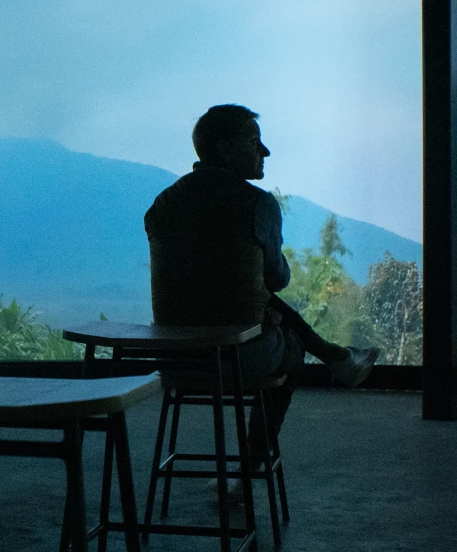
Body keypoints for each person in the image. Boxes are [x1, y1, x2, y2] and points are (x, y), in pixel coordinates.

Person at [144, 104, 377, 487]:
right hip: (233, 360)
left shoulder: (163, 205)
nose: (264, 151)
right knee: (290, 347)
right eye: (254, 141)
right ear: (224, 148)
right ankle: (251, 466)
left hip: (173, 360)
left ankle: (338, 358)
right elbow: (278, 279)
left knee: (256, 302)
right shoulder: (255, 203)